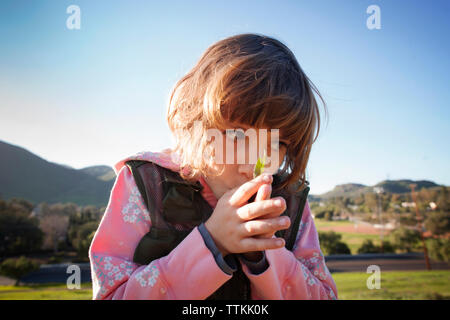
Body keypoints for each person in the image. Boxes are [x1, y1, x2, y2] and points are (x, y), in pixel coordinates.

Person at [89, 33, 338, 300]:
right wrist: (212, 243)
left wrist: (264, 253)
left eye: (275, 144)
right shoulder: (145, 184)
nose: (253, 164)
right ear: (195, 118)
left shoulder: (289, 200)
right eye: (238, 135)